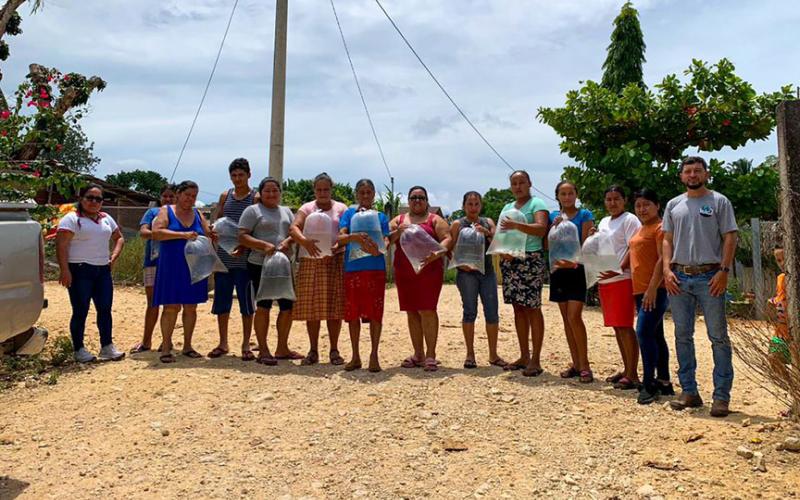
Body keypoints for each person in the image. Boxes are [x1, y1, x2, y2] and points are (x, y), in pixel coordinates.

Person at [663, 157, 738, 417]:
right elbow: (667, 239)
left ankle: (721, 397)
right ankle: (689, 392)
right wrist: (666, 270)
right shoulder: (673, 205)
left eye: (697, 171)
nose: (692, 175)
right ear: (682, 176)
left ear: (706, 174)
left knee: (718, 337)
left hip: (710, 277)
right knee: (682, 336)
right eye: (688, 171)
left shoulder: (719, 201)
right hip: (679, 278)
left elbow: (730, 236)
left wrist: (724, 271)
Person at [56, 184, 126, 363]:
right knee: (80, 310)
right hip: (80, 269)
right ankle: (79, 349)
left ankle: (107, 346)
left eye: (98, 199)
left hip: (102, 270)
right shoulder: (72, 219)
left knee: (105, 309)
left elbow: (119, 237)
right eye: (90, 197)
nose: (94, 202)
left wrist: (114, 257)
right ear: (81, 199)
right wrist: (64, 270)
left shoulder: (106, 218)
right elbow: (61, 245)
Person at [238, 177, 302, 365]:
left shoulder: (286, 211)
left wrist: (288, 242)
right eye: (267, 191)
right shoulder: (252, 211)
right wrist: (263, 245)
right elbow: (242, 236)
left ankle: (282, 348)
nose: (271, 194)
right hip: (260, 264)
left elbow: (294, 232)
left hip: (284, 264)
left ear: (280, 192)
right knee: (263, 306)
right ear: (261, 192)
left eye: (275, 190)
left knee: (287, 306)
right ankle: (263, 349)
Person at [151, 180, 214, 363]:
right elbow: (157, 232)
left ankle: (187, 346)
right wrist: (182, 235)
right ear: (178, 194)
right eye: (187, 195)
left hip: (194, 266)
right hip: (171, 266)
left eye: (194, 196)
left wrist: (214, 234)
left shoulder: (198, 213)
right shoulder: (166, 211)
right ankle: (166, 347)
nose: (190, 199)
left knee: (191, 307)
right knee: (170, 307)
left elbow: (207, 233)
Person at [389, 186, 451, 371]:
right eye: (414, 197)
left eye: (421, 197)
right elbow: (386, 239)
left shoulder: (435, 219)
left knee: (428, 310)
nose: (417, 200)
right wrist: (397, 232)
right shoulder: (398, 220)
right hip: (405, 271)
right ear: (408, 201)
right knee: (412, 311)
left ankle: (430, 355)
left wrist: (437, 252)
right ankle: (418, 354)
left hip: (429, 270)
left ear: (427, 201)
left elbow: (447, 238)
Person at [290, 172, 349, 366]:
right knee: (312, 308)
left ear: (331, 189)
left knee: (334, 307)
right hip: (311, 260)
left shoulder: (341, 208)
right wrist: (304, 242)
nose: (323, 193)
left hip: (335, 260)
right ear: (314, 190)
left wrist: (339, 245)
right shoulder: (306, 208)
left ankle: (334, 350)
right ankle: (313, 350)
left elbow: (346, 231)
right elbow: (294, 228)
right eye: (319, 189)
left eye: (326, 189)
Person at [498, 170, 549, 377]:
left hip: (531, 259)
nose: (518, 186)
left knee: (532, 308)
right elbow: (501, 234)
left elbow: (541, 228)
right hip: (511, 261)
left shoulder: (537, 204)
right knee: (518, 308)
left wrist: (517, 225)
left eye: (521, 182)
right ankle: (524, 356)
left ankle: (536, 359)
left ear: (529, 184)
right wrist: (503, 251)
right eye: (514, 183)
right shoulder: (507, 207)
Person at [448, 191, 506, 369]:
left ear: (481, 206)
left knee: (492, 313)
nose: (473, 208)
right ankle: (470, 355)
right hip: (466, 275)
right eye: (470, 204)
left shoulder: (488, 222)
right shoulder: (458, 224)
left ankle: (493, 354)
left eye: (476, 204)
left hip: (487, 273)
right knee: (469, 312)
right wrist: (460, 265)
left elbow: (498, 243)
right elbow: (449, 248)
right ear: (463, 206)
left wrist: (486, 232)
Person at [338, 179, 390, 373]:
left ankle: (374, 355)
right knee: (353, 313)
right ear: (356, 194)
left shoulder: (380, 217)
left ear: (374, 194)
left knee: (376, 312)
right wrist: (354, 237)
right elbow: (340, 238)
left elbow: (386, 239)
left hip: (375, 268)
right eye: (362, 192)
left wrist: (381, 249)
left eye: (369, 192)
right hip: (353, 270)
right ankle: (355, 356)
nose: (365, 196)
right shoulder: (349, 215)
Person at [208, 158, 257, 360]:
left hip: (246, 260)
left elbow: (257, 227)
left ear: (248, 175)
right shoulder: (225, 196)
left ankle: (246, 344)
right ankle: (223, 342)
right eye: (234, 175)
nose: (237, 179)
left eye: (241, 175)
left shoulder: (255, 197)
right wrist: (214, 233)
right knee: (222, 302)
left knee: (246, 304)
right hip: (224, 258)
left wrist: (244, 245)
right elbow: (218, 220)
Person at [629, 189, 673, 404]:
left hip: (655, 289)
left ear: (657, 205)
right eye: (638, 205)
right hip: (640, 289)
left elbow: (662, 258)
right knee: (655, 335)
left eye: (646, 204)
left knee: (643, 333)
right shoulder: (641, 228)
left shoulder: (660, 228)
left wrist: (653, 288)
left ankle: (649, 383)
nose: (642, 209)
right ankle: (664, 381)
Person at [596, 185, 641, 390]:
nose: (612, 203)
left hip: (622, 279)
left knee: (625, 325)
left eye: (616, 199)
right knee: (617, 326)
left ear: (624, 200)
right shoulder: (604, 221)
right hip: (606, 280)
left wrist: (619, 268)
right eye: (609, 199)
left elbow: (633, 247)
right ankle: (626, 368)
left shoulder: (630, 219)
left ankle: (633, 373)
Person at [548, 180, 594, 383]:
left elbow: (586, 244)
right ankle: (575, 364)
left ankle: (585, 365)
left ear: (576, 195)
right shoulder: (553, 216)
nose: (567, 197)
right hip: (558, 271)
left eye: (570, 193)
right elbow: (547, 245)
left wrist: (574, 263)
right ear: (557, 196)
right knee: (566, 318)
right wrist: (553, 227)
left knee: (575, 317)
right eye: (563, 194)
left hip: (577, 270)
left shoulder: (585, 215)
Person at [130, 184, 175, 354]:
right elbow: (143, 232)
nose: (168, 199)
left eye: (171, 196)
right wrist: (163, 234)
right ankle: (146, 341)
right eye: (165, 196)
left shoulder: (179, 214)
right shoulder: (152, 212)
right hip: (152, 262)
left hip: (173, 264)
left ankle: (167, 341)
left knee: (170, 304)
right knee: (152, 303)